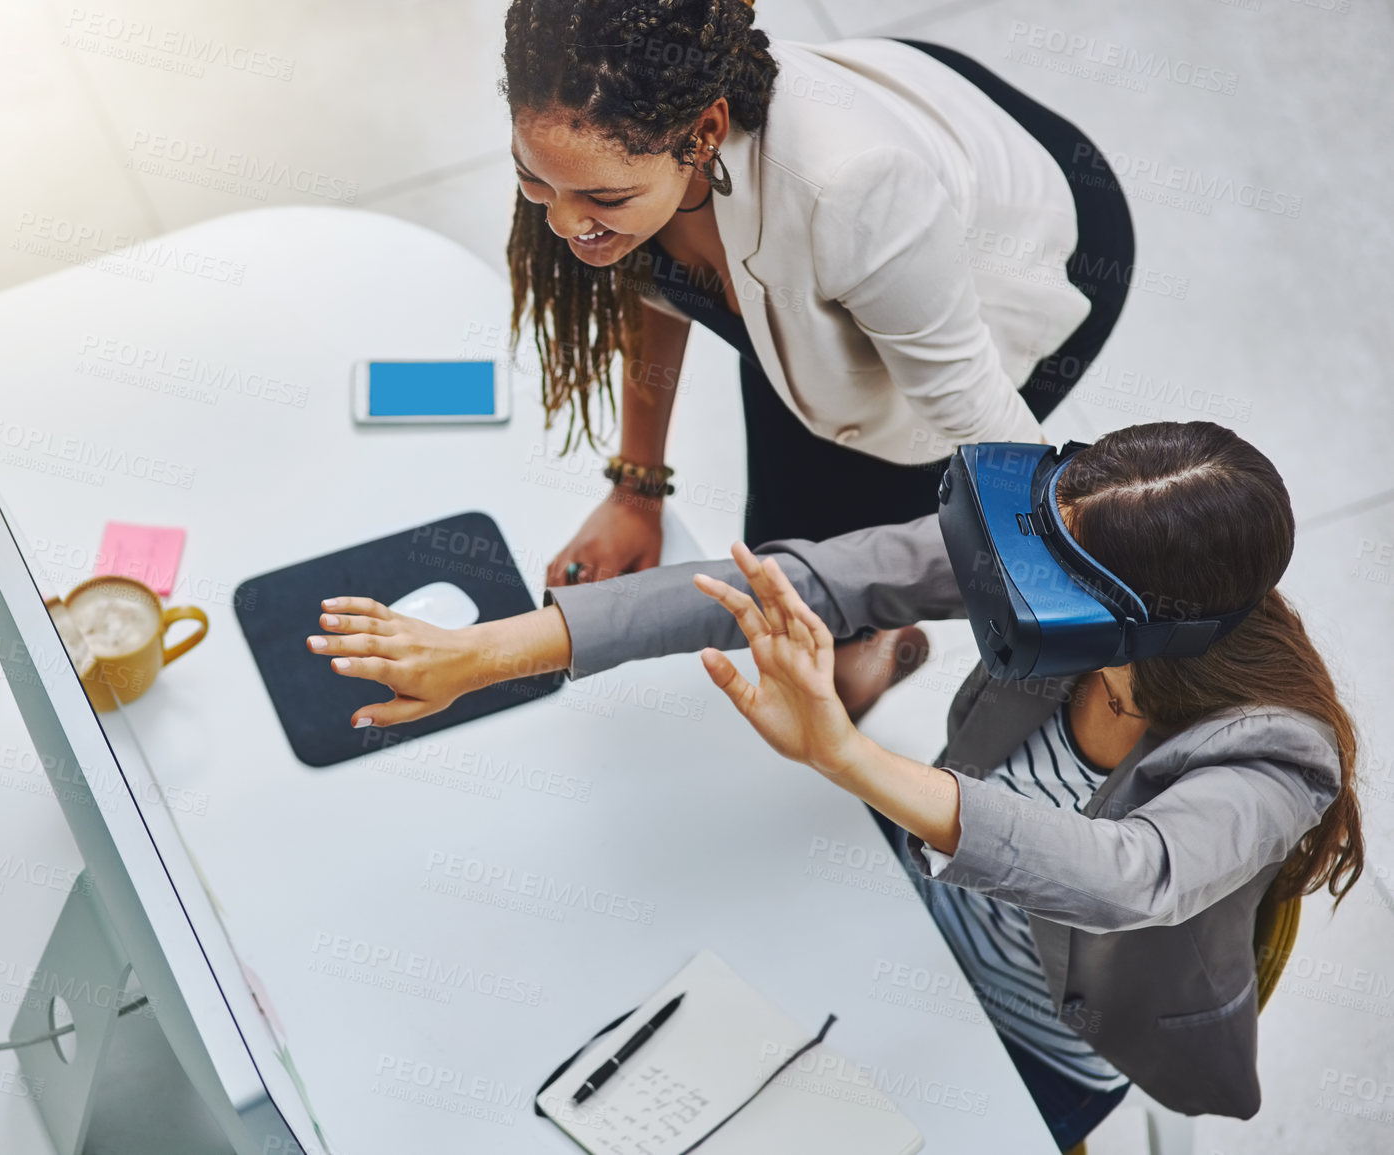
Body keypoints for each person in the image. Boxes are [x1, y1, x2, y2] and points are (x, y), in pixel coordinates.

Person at [303, 421, 1363, 1150]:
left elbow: (1131, 876)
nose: (1015, 578)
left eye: (1055, 571)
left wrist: (845, 758)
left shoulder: (1279, 752)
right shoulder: (1065, 571)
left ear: (1146, 618)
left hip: (1035, 1042)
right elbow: (794, 586)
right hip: (900, 904)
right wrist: (486, 653)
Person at [501, 0, 1135, 717]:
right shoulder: (583, 130)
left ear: (704, 133)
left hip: (1019, 254)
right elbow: (652, 293)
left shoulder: (850, 194)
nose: (562, 223)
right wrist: (635, 490)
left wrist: (1084, 618)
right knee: (782, 548)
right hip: (901, 160)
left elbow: (978, 418)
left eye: (603, 199)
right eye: (533, 184)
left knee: (846, 548)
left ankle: (874, 647)